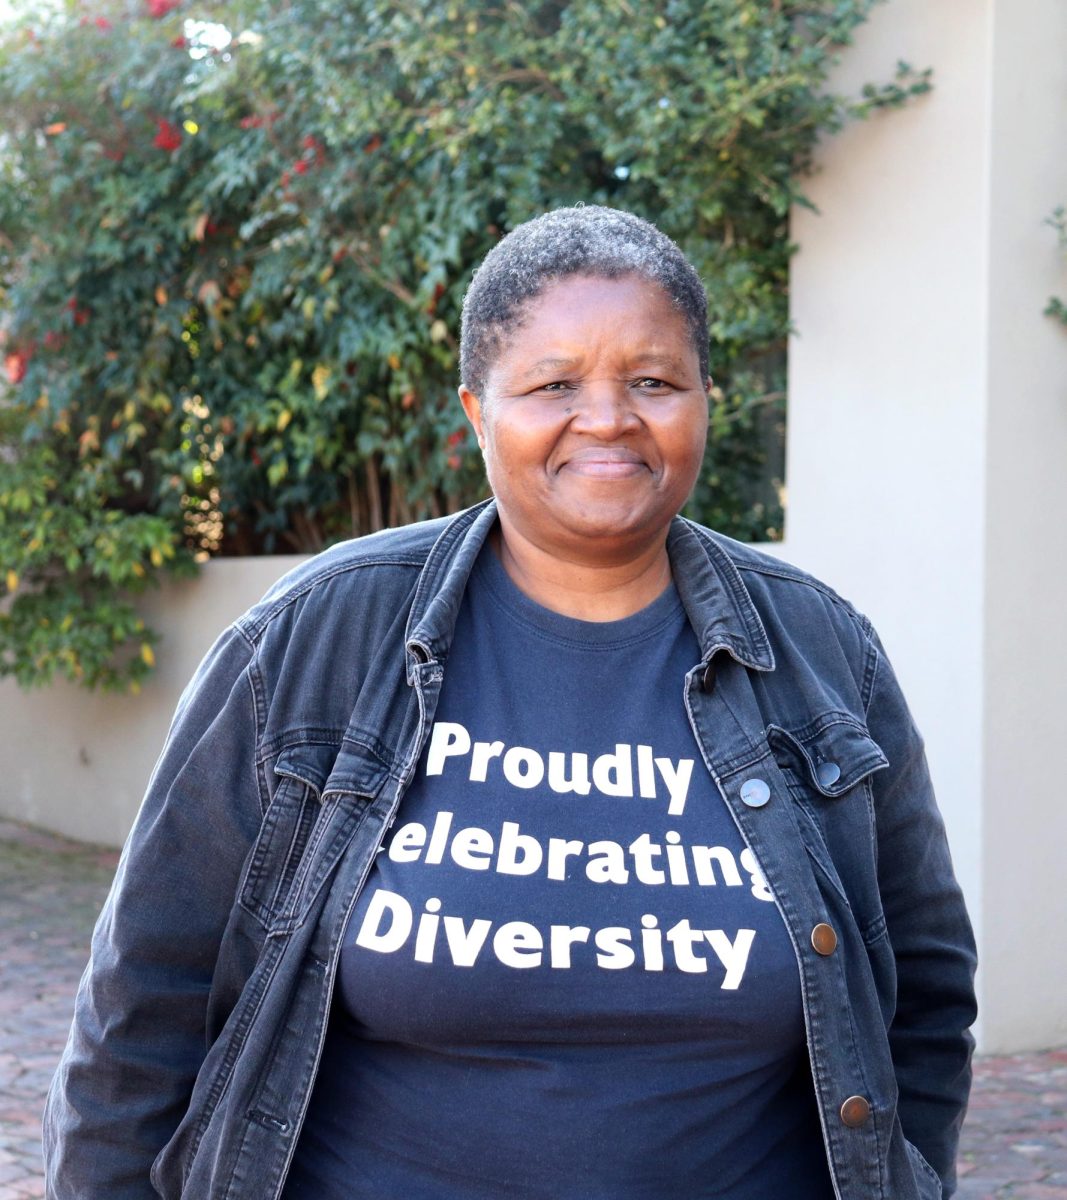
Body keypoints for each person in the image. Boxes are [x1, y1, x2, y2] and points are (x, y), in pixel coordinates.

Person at [43, 205, 976, 1200]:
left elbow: (918, 995)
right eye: (553, 383)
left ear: (706, 399)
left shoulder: (822, 654)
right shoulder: (313, 640)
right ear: (477, 412)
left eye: (653, 380)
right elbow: (145, 1005)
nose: (609, 417)